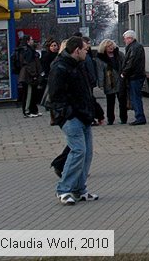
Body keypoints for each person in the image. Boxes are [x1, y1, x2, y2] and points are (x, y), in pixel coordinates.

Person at [45, 36, 99, 204]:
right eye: (85, 49)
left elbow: (86, 91)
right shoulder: (60, 67)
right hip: (71, 116)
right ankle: (64, 189)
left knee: (87, 153)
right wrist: (66, 113)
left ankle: (79, 189)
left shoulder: (78, 65)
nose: (87, 51)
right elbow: (55, 96)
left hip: (83, 114)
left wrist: (96, 111)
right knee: (78, 151)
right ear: (77, 50)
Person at [96, 39, 127, 125]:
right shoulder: (100, 58)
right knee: (110, 102)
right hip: (109, 82)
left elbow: (125, 65)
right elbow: (100, 71)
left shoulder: (119, 55)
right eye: (108, 46)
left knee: (122, 101)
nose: (111, 48)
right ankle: (110, 119)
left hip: (120, 81)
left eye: (112, 45)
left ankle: (123, 118)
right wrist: (101, 84)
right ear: (104, 47)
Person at [121, 30, 147, 125]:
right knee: (135, 97)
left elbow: (131, 62)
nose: (125, 41)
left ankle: (140, 117)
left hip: (135, 76)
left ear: (129, 38)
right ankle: (139, 116)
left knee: (135, 97)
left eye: (125, 39)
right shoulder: (135, 47)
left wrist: (124, 73)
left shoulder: (134, 48)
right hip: (136, 75)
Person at [16, 36, 43, 118]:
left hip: (30, 75)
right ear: (28, 41)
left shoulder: (29, 50)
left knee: (32, 94)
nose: (32, 41)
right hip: (28, 76)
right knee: (28, 93)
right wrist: (33, 74)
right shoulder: (26, 51)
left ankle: (33, 110)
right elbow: (28, 64)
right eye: (31, 39)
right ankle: (27, 111)